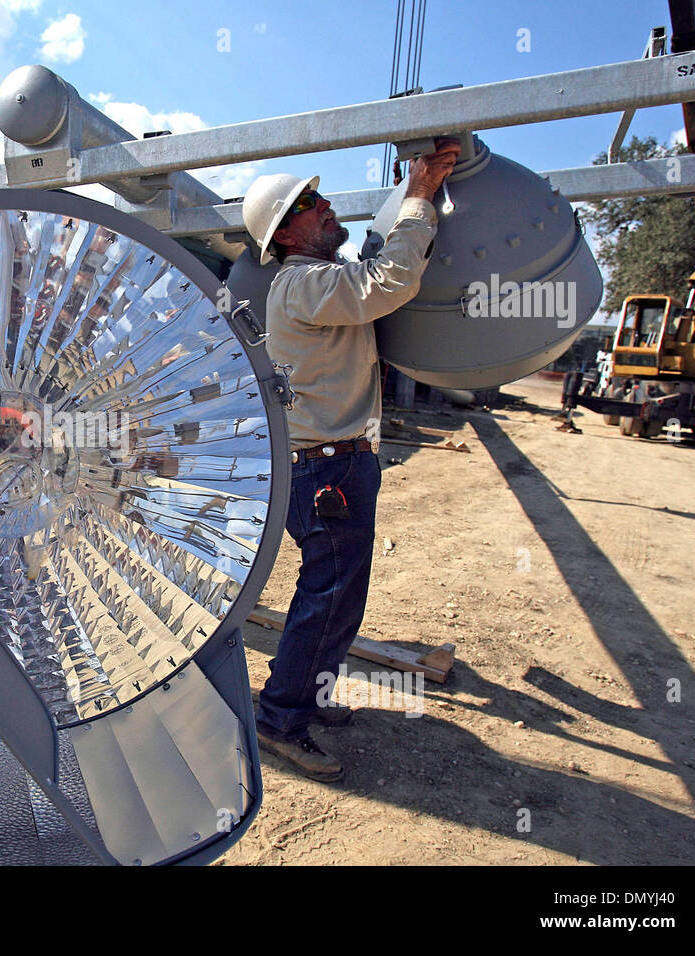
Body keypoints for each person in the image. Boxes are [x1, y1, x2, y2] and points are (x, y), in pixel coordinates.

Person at [240, 139, 460, 781]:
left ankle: (300, 696)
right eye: (310, 203)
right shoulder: (302, 283)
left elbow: (368, 280)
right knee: (330, 596)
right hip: (327, 469)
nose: (328, 203)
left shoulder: (314, 282)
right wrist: (418, 197)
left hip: (332, 464)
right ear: (286, 233)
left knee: (335, 594)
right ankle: (280, 720)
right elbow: (385, 283)